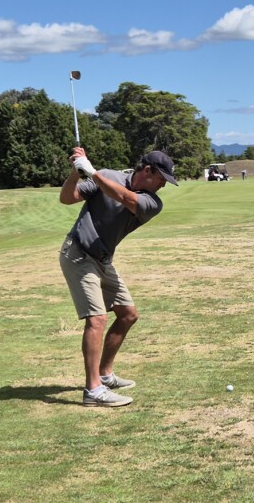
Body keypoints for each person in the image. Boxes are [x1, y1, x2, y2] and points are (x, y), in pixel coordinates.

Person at [59, 147, 178, 407]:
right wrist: (75, 173)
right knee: (98, 319)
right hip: (78, 253)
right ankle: (93, 390)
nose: (162, 186)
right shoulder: (107, 175)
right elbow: (68, 198)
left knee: (128, 315)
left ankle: (104, 374)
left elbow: (126, 198)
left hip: (103, 259)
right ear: (147, 171)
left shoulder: (151, 202)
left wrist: (92, 172)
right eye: (161, 180)